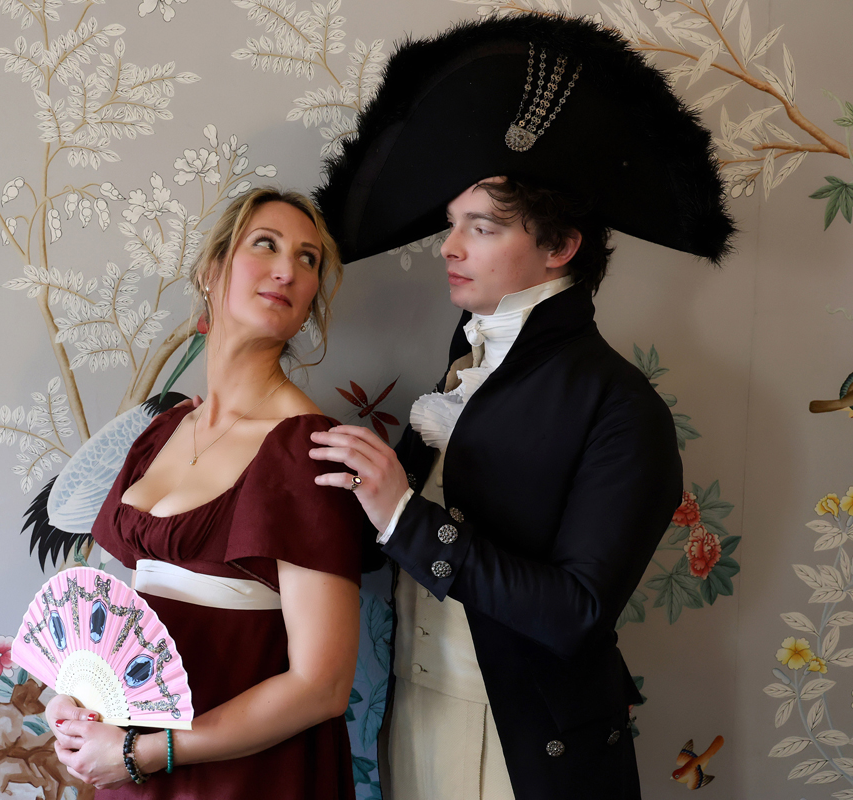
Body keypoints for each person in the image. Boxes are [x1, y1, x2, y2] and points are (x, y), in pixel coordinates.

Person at [309, 14, 736, 800]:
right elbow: (385, 539)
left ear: (560, 245)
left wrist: (404, 516)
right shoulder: (463, 369)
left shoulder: (621, 406)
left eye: (483, 226)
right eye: (452, 224)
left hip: (527, 748)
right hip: (415, 715)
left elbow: (575, 612)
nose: (450, 246)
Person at [45, 188, 364, 797]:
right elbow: (125, 619)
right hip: (129, 761)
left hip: (241, 776)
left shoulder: (310, 450)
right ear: (210, 271)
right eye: (265, 244)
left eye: (308, 260)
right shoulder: (165, 430)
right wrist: (80, 695)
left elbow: (322, 686)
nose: (286, 270)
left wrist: (151, 752)